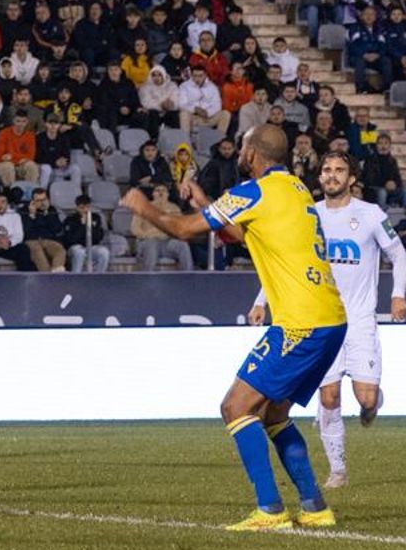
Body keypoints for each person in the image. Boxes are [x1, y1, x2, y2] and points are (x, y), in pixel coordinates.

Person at [121, 124, 344, 531]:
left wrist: (144, 207)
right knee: (274, 413)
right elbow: (248, 235)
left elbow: (184, 230)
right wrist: (205, 201)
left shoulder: (253, 191)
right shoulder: (294, 189)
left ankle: (270, 510)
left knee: (236, 407)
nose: (240, 152)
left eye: (243, 146)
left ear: (253, 153)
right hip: (329, 319)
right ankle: (314, 507)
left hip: (300, 321)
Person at [247, 153, 406, 488]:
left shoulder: (371, 214)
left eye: (339, 171)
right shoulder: (309, 215)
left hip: (361, 318)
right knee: (329, 396)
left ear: (351, 178)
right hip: (321, 318)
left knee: (365, 397)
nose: (332, 176)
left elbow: (399, 255)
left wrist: (398, 294)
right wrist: (260, 301)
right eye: (326, 170)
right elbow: (286, 263)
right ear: (319, 177)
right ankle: (338, 470)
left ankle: (372, 406)